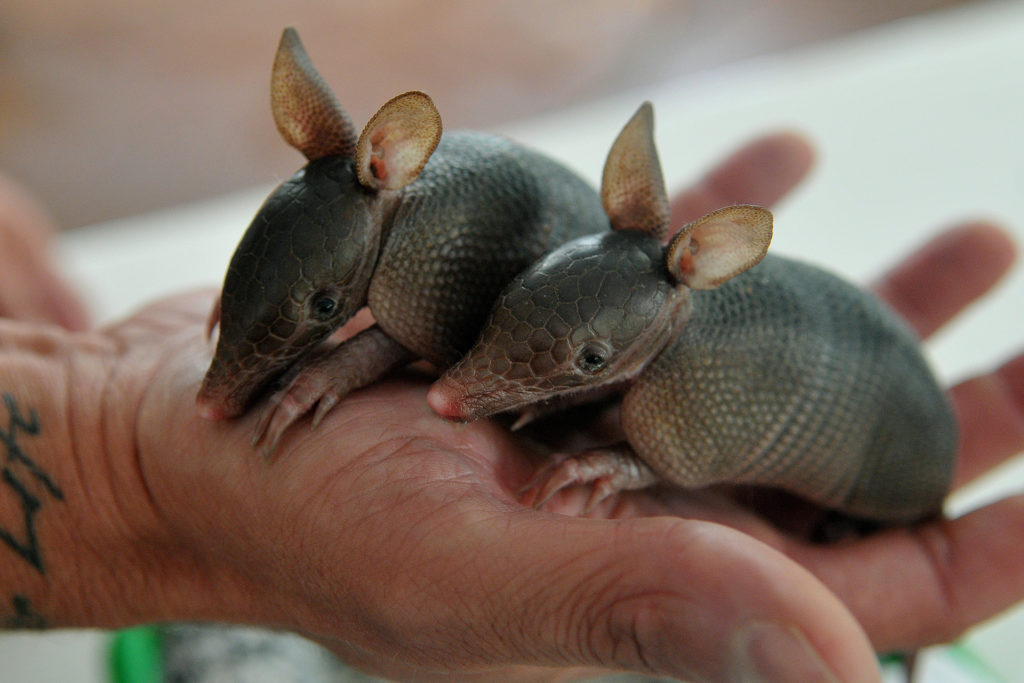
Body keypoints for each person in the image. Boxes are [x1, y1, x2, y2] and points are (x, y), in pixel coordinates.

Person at [0, 133, 1021, 683]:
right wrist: (118, 448)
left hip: (879, 461)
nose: (458, 397)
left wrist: (629, 458)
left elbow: (658, 432)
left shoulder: (712, 387)